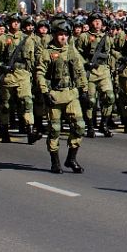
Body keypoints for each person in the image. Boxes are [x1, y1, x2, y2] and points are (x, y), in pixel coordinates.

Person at [36, 19, 86, 174]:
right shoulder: (48, 52)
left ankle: (71, 158)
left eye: (65, 35)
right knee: (55, 129)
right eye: (60, 34)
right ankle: (55, 161)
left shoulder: (71, 51)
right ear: (54, 35)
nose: (63, 37)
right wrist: (44, 92)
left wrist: (84, 90)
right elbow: (40, 73)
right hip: (55, 95)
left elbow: (79, 70)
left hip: (71, 94)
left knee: (79, 126)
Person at [0, 13, 41, 144]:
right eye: (13, 21)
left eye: (17, 22)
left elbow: (36, 57)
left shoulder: (28, 39)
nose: (15, 24)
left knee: (27, 102)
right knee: (6, 105)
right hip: (8, 76)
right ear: (8, 24)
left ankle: (30, 129)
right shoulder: (2, 39)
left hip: (23, 74)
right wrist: (1, 66)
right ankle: (4, 130)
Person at [76, 13, 116, 137]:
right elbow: (76, 54)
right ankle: (90, 126)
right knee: (90, 101)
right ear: (90, 22)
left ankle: (104, 124)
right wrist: (85, 64)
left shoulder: (107, 37)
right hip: (90, 73)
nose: (97, 24)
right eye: (95, 21)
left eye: (99, 21)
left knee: (109, 97)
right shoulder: (84, 36)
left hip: (103, 70)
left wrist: (113, 69)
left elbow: (110, 53)